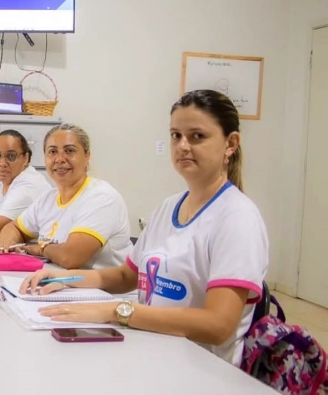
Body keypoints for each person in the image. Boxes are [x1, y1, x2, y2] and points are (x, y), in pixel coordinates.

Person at [20, 90, 269, 366]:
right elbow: (127, 276)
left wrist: (118, 311)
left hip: (200, 368)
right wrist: (60, 279)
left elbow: (218, 325)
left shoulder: (237, 217)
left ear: (230, 144)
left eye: (197, 136)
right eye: (176, 135)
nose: (183, 146)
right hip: (149, 348)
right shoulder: (169, 207)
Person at [0, 123, 133, 270]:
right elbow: (13, 227)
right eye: (52, 152)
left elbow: (70, 257)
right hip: (59, 284)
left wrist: (42, 248)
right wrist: (7, 244)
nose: (60, 159)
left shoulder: (102, 197)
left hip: (103, 291)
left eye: (69, 151)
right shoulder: (48, 199)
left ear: (87, 156)